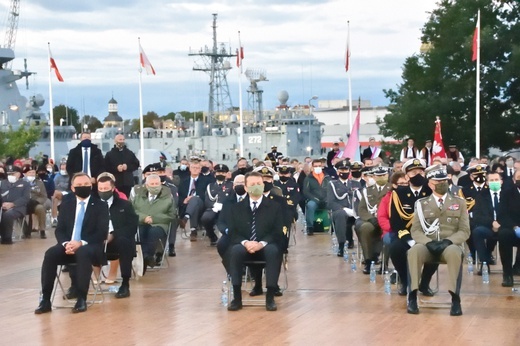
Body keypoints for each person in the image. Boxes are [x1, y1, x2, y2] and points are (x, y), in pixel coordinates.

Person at [34, 172, 109, 314]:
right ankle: (45, 299)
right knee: (50, 254)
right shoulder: (67, 205)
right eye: (79, 185)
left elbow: (101, 232)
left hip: (90, 247)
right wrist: (66, 244)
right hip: (68, 246)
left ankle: (81, 298)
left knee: (82, 252)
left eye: (86, 184)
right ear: (73, 188)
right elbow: (60, 230)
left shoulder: (100, 205)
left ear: (91, 186)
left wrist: (80, 243)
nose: (83, 187)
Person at [407, 165, 470, 316]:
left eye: (444, 180)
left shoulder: (459, 202)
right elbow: (415, 230)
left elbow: (464, 230)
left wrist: (448, 241)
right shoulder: (421, 204)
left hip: (449, 245)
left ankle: (455, 298)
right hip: (428, 245)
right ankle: (413, 296)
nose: (442, 183)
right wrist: (427, 242)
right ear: (430, 183)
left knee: (455, 252)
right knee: (414, 251)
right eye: (438, 181)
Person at [227, 171, 284, 312]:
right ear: (245, 188)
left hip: (266, 245)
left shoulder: (275, 207)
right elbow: (233, 232)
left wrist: (261, 244)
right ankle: (237, 298)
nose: (257, 187)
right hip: (245, 245)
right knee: (235, 250)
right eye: (253, 184)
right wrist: (246, 242)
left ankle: (270, 297)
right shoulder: (236, 208)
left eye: (259, 184)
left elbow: (277, 232)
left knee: (273, 250)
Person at [387, 159, 436, 295]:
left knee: (437, 247)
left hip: (428, 233)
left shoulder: (431, 191)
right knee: (395, 248)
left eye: (421, 172)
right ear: (407, 176)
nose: (419, 175)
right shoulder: (399, 193)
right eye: (414, 172)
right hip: (406, 234)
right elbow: (396, 221)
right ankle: (405, 282)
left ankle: (425, 283)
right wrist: (409, 240)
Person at [95, 173, 139, 298]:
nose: (103, 191)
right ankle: (78, 286)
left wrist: (113, 235)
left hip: (118, 239)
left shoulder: (124, 205)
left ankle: (125, 284)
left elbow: (132, 226)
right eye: (100, 189)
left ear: (113, 188)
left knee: (124, 243)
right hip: (97, 239)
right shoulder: (93, 205)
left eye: (106, 189)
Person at [132, 174, 175, 268]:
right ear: (146, 185)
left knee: (153, 232)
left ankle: (146, 256)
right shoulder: (138, 196)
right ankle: (146, 257)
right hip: (141, 222)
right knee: (140, 232)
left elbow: (171, 215)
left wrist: (154, 219)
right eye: (152, 184)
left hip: (160, 224)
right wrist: (144, 217)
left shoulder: (168, 197)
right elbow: (132, 210)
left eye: (157, 183)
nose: (155, 186)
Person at [355, 166, 390, 273]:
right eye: (378, 176)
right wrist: (370, 218)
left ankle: (384, 264)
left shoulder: (392, 190)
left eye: (383, 175)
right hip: (371, 220)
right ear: (374, 177)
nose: (381, 177)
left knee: (388, 232)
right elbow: (361, 209)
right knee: (365, 228)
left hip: (387, 220)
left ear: (387, 175)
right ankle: (368, 261)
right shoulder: (367, 191)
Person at [472, 171, 503, 275]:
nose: (494, 182)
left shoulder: (508, 195)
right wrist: (492, 223)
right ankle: (485, 263)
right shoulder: (481, 196)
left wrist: (499, 224)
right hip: (488, 227)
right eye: (492, 180)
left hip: (505, 226)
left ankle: (515, 266)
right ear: (487, 183)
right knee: (477, 232)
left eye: (496, 180)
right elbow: (477, 216)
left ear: (501, 181)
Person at [216, 174, 247, 273]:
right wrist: (226, 230)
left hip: (248, 233)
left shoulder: (252, 199)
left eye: (242, 183)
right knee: (221, 244)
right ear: (233, 186)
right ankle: (232, 271)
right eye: (238, 183)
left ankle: (246, 268)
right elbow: (221, 221)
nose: (240, 185)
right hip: (231, 232)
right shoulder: (227, 201)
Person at [178, 158, 213, 241]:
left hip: (201, 204)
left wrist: (195, 197)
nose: (195, 169)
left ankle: (187, 221)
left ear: (200, 170)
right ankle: (193, 229)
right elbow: (180, 195)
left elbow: (208, 195)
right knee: (193, 204)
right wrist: (185, 200)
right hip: (186, 205)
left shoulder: (206, 181)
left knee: (194, 200)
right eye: (193, 167)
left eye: (197, 168)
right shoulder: (184, 181)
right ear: (189, 168)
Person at [200, 164, 234, 245]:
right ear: (215, 174)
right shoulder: (210, 186)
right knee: (205, 218)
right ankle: (212, 237)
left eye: (223, 173)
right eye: (218, 172)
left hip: (226, 209)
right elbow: (207, 200)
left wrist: (223, 206)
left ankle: (227, 238)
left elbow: (232, 198)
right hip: (213, 208)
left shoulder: (231, 185)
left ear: (226, 174)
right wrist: (214, 205)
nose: (220, 174)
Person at [497, 169, 520, 287]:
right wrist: (515, 226)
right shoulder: (507, 192)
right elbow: (502, 214)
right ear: (514, 179)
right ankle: (507, 274)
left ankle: (518, 266)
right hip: (511, 227)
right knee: (504, 235)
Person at [327, 160, 355, 256]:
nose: (344, 172)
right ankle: (341, 245)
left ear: (349, 171)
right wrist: (343, 209)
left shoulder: (355, 184)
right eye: (341, 170)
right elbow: (330, 202)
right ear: (337, 172)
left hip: (355, 211)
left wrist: (355, 209)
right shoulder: (332, 184)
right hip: (340, 211)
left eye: (346, 170)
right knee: (340, 215)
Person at [0, 165, 30, 244]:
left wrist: (12, 204)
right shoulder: (3, 183)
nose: (10, 176)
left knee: (8, 215)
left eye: (13, 174)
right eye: (9, 174)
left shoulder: (25, 184)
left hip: (18, 208)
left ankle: (6, 238)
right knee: (3, 213)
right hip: (3, 206)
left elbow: (25, 198)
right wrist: (2, 204)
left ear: (18, 174)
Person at [303, 159, 332, 235]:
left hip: (326, 199)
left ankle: (332, 226)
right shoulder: (308, 178)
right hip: (314, 200)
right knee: (310, 205)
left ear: (322, 166)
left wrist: (326, 199)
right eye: (315, 166)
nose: (317, 167)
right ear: (312, 167)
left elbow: (331, 190)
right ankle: (310, 227)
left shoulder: (327, 178)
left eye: (319, 166)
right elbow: (306, 192)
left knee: (334, 206)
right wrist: (316, 199)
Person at [22, 165, 48, 239]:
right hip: (23, 203)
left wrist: (37, 201)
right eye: (29, 173)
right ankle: (25, 231)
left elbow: (44, 196)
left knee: (41, 208)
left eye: (33, 172)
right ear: (25, 174)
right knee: (18, 211)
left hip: (35, 203)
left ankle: (42, 230)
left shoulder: (39, 183)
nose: (32, 174)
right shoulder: (20, 182)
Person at [51, 162, 70, 226]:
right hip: (59, 193)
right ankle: (55, 218)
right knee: (55, 198)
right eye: (62, 169)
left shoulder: (70, 176)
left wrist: (61, 184)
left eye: (64, 169)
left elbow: (69, 186)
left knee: (55, 194)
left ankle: (53, 217)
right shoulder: (57, 176)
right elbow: (55, 186)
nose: (63, 170)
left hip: (69, 192)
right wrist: (63, 186)